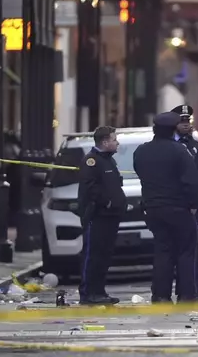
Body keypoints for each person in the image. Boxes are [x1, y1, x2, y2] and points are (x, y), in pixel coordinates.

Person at [133, 112, 198, 303]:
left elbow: (141, 174)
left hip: (154, 209)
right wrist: (194, 205)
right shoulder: (180, 151)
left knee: (162, 252)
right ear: (173, 129)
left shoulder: (141, 151)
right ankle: (187, 295)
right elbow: (192, 182)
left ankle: (160, 295)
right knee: (185, 252)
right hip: (179, 209)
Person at [77, 126, 126, 305]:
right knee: (93, 255)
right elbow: (90, 188)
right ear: (105, 142)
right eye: (114, 139)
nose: (117, 142)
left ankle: (99, 292)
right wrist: (107, 202)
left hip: (110, 217)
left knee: (104, 255)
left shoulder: (108, 160)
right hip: (97, 216)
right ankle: (88, 293)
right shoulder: (92, 161)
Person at [170, 104, 198, 302]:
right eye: (181, 122)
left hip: (192, 207)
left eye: (188, 121)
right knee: (172, 252)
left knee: (192, 250)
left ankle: (195, 290)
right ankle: (176, 292)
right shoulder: (168, 145)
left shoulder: (196, 147)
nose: (186, 125)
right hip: (173, 205)